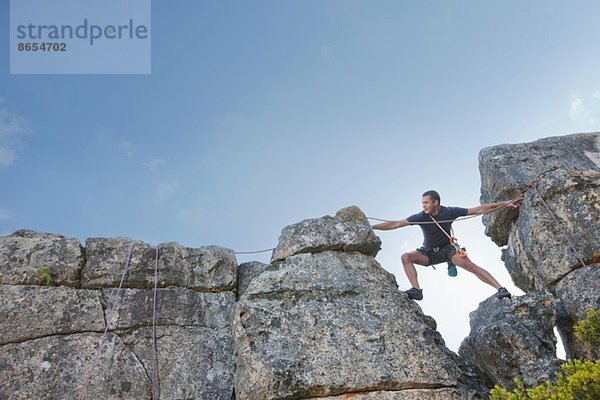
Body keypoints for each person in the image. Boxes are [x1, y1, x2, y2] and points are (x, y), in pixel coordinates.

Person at [372, 190, 519, 301]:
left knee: (470, 265)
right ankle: (416, 290)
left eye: (426, 202)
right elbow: (396, 224)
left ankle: (500, 289)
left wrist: (504, 204)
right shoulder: (421, 217)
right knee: (406, 257)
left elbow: (477, 209)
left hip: (448, 250)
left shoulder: (449, 212)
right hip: (428, 252)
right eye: (422, 203)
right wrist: (372, 227)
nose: (423, 205)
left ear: (435, 202)